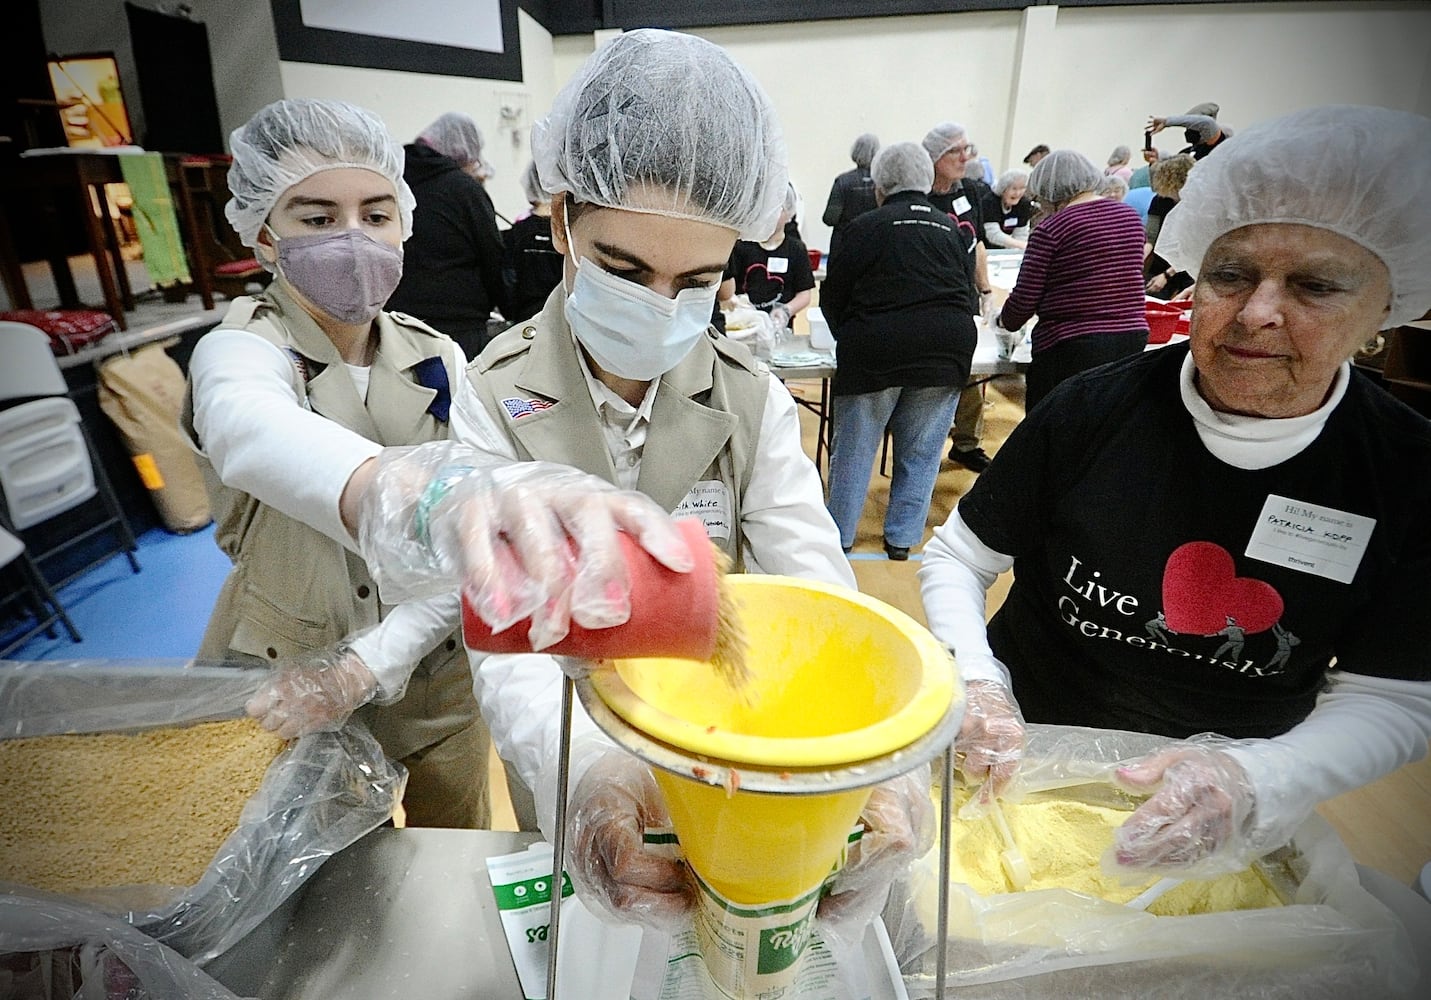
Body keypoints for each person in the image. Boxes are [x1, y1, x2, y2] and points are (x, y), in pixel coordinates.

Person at [920, 105, 1431, 881]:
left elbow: (1393, 696)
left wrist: (1255, 780)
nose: (1257, 312)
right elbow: (958, 556)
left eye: (1315, 286)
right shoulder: (1093, 408)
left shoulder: (1404, 470)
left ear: (1385, 310)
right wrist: (979, 685)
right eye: (1229, 274)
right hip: (1022, 764)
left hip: (1231, 812)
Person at [185, 99, 693, 830]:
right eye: (317, 218)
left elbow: (465, 565)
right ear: (265, 233)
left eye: (376, 214)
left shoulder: (439, 357)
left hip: (435, 682)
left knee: (450, 857)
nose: (353, 239)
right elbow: (248, 429)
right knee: (323, 886)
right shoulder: (240, 351)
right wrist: (417, 492)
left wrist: (372, 661)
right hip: (294, 677)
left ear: (406, 222)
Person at [821, 141, 979, 561]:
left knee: (855, 449)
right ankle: (902, 541)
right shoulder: (950, 229)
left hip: (875, 346)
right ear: (926, 181)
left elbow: (832, 297)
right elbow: (967, 296)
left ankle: (839, 539)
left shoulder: (863, 226)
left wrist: (853, 339)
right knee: (923, 452)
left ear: (881, 186)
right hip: (947, 349)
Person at [993, 149, 1148, 412]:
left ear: (1051, 193)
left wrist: (1002, 321)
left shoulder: (1053, 228)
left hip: (1072, 346)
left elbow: (1024, 299)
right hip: (1131, 339)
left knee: (1052, 430)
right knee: (1104, 426)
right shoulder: (1130, 218)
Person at [386, 112, 509, 358]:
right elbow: (493, 258)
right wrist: (512, 310)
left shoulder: (393, 184)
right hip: (460, 330)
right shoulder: (464, 190)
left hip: (396, 329)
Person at [923, 122, 997, 473]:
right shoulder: (919, 194)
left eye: (968, 149)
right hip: (929, 300)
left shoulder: (970, 190)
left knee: (969, 371)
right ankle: (922, 444)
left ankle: (967, 443)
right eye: (957, 151)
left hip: (963, 298)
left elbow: (977, 242)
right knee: (932, 377)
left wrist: (985, 291)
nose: (965, 158)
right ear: (936, 156)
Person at [719, 183, 816, 332]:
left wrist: (785, 311)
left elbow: (804, 293)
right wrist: (734, 301)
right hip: (743, 326)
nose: (770, 216)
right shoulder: (742, 246)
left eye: (777, 209)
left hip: (780, 329)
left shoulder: (796, 249)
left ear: (789, 213)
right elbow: (727, 286)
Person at [502, 160, 564, 323]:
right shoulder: (566, 234)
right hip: (560, 322)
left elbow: (507, 282)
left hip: (523, 326)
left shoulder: (516, 235)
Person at [821, 132, 880, 265]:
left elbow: (830, 218)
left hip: (844, 246)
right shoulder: (883, 184)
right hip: (874, 247)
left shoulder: (842, 181)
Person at [1144, 153, 1196, 299]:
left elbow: (1192, 248)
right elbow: (1151, 237)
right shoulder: (1159, 201)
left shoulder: (1198, 204)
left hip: (1189, 268)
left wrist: (1167, 275)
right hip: (1162, 262)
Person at [981, 169, 1032, 249]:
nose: (1018, 193)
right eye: (1014, 189)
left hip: (1007, 249)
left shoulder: (1024, 204)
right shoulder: (990, 201)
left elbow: (1021, 234)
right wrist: (1020, 245)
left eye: (1022, 188)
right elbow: (992, 234)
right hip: (986, 248)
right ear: (1003, 189)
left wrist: (1018, 251)